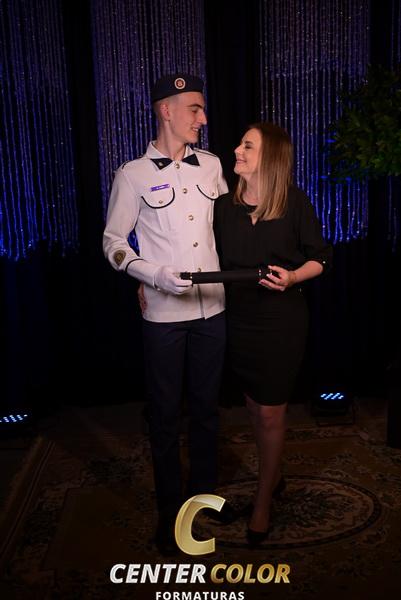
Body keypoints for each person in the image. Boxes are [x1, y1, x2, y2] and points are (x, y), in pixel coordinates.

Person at [103, 73, 235, 555]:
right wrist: (150, 275)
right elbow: (113, 243)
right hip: (163, 315)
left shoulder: (212, 166)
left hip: (213, 309)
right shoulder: (132, 175)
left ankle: (202, 502)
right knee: (163, 417)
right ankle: (170, 515)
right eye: (195, 109)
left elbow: (229, 230)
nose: (203, 118)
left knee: (206, 411)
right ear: (167, 111)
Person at [213, 122, 332, 546]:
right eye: (240, 143)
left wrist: (294, 276)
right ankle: (274, 475)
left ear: (271, 158)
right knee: (252, 404)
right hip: (238, 319)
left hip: (281, 322)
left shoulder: (294, 202)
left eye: (248, 146)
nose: (237, 150)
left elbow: (322, 257)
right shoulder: (223, 206)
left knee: (269, 412)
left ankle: (262, 501)